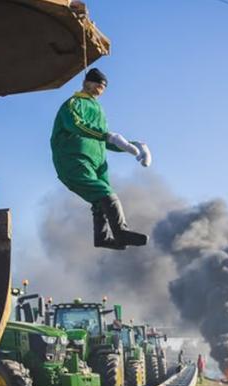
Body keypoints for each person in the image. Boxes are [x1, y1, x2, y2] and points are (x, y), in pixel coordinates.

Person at [50, 68, 151, 250]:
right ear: (86, 82)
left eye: (103, 86)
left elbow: (104, 139)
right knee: (103, 191)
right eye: (97, 83)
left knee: (99, 200)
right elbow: (76, 125)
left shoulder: (99, 109)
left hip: (98, 163)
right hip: (74, 160)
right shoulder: (74, 103)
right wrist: (108, 136)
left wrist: (133, 145)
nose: (100, 88)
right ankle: (120, 231)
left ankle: (102, 237)